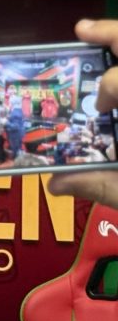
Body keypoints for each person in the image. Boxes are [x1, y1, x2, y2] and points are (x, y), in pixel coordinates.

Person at [49, 19, 118, 207]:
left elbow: (98, 141)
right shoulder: (90, 116)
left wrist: (90, 140)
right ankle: (59, 159)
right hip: (95, 143)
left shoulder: (102, 115)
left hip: (100, 147)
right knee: (62, 147)